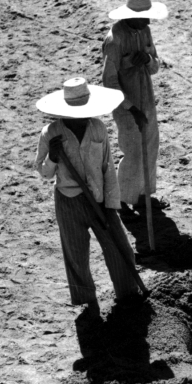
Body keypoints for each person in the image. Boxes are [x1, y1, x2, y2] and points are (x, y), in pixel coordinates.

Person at [34, 77, 143, 318]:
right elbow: (43, 172)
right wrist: (52, 156)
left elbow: (107, 167)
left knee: (118, 246)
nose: (80, 116)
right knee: (75, 251)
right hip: (68, 200)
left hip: (100, 197)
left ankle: (128, 294)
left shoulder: (97, 128)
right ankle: (86, 301)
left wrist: (111, 203)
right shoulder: (50, 133)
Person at [102, 0, 168, 213]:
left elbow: (156, 66)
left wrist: (147, 59)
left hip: (146, 97)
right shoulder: (114, 40)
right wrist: (132, 109)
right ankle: (121, 201)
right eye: (145, 16)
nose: (149, 21)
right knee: (132, 151)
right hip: (125, 103)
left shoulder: (145, 30)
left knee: (150, 145)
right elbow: (110, 82)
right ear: (130, 16)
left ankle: (143, 196)